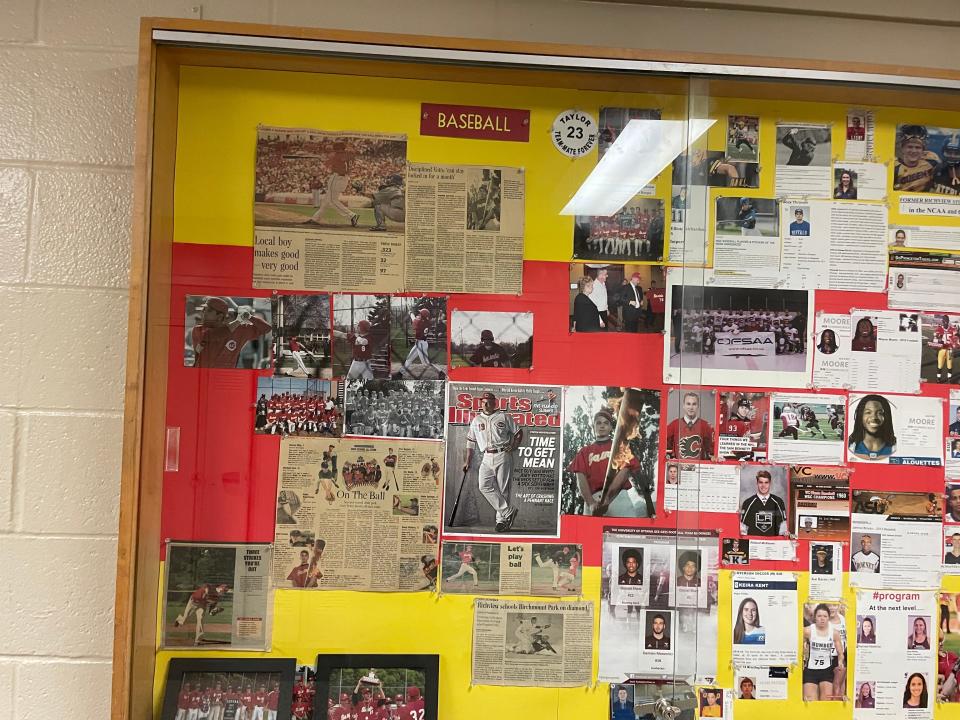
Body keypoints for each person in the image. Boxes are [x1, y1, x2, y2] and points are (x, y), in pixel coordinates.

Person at [463, 391, 523, 532]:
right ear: (481, 403)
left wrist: (513, 446)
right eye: (484, 402)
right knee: (484, 486)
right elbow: (471, 442)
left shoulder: (503, 416)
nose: (486, 404)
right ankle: (507, 511)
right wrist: (467, 461)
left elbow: (518, 432)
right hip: (486, 456)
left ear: (495, 403)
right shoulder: (476, 420)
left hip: (503, 454)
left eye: (489, 402)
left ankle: (501, 522)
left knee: (503, 489)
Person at [191, 297, 271, 369]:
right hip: (202, 376)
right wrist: (239, 320)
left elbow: (266, 328)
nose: (203, 313)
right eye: (203, 309)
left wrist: (249, 317)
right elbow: (220, 333)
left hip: (225, 377)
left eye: (208, 310)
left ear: (220, 316)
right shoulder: (199, 329)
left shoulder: (239, 330)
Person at [567, 409, 615, 515]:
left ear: (611, 427)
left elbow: (624, 472)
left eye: (606, 423)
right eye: (598, 423)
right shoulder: (584, 451)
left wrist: (609, 495)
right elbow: (581, 478)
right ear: (593, 427)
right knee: (589, 530)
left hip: (617, 497)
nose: (602, 426)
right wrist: (590, 503)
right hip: (592, 498)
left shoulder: (618, 447)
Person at [307, 140, 359, 226]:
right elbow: (350, 155)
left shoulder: (336, 156)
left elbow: (327, 165)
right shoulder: (349, 154)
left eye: (335, 149)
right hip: (344, 179)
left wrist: (323, 159)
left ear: (338, 149)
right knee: (326, 201)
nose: (334, 150)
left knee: (332, 200)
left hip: (337, 178)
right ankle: (315, 219)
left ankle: (352, 215)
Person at [803, 603, 844, 701]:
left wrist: (840, 662)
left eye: (825, 616)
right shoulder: (807, 631)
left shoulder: (834, 633)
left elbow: (840, 653)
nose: (822, 618)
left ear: (828, 618)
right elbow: (799, 647)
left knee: (825, 703)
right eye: (819, 616)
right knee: (810, 702)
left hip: (826, 670)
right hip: (810, 670)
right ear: (815, 617)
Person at [665, 391, 714, 460]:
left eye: (694, 404)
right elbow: (664, 445)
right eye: (688, 404)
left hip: (699, 468)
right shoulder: (674, 424)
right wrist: (670, 457)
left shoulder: (706, 426)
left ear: (698, 406)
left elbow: (712, 451)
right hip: (680, 467)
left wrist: (714, 457)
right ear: (683, 406)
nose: (691, 407)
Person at [739, 469, 787, 537]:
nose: (763, 485)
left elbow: (783, 527)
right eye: (761, 482)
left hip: (772, 544)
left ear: (770, 483)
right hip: (754, 543)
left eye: (766, 482)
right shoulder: (748, 503)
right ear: (757, 483)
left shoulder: (778, 502)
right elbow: (743, 528)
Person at [848, 394, 896, 460]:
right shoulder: (849, 446)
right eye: (868, 412)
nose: (874, 417)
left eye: (880, 413)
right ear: (860, 416)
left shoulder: (896, 446)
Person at [894, 125, 939, 192]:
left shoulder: (931, 160)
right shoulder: (894, 167)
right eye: (910, 147)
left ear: (923, 150)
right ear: (902, 148)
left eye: (918, 147)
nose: (913, 151)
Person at [933, 315, 959, 383]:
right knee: (940, 365)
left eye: (946, 320)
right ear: (942, 321)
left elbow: (956, 338)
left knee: (949, 365)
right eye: (944, 321)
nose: (945, 322)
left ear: (948, 321)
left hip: (949, 349)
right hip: (942, 349)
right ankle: (938, 379)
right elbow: (935, 339)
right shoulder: (938, 329)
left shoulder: (953, 329)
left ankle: (949, 379)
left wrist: (956, 343)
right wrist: (936, 344)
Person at [586, 265, 610, 330]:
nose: (607, 276)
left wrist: (606, 309)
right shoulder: (594, 286)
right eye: (606, 274)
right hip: (598, 314)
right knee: (600, 335)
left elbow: (604, 299)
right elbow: (592, 306)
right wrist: (600, 321)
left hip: (603, 312)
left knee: (605, 333)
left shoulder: (603, 284)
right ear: (600, 275)